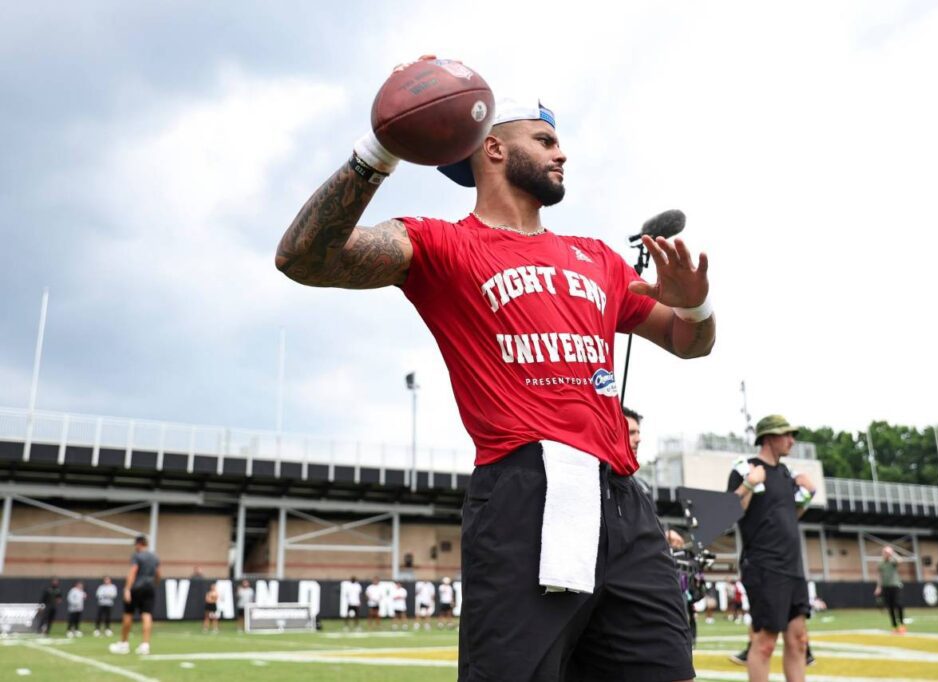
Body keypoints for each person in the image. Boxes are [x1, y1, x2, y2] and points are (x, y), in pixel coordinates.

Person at [276, 55, 714, 682]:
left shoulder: (596, 258)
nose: (562, 155)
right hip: (526, 491)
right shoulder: (441, 244)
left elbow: (689, 342)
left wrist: (694, 299)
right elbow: (303, 257)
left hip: (622, 500)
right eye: (545, 140)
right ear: (494, 149)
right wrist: (379, 148)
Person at [726, 415, 816, 682]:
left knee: (799, 640)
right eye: (786, 435)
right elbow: (730, 511)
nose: (792, 440)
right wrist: (749, 484)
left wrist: (807, 497)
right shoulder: (745, 469)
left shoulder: (786, 474)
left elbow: (789, 517)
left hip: (792, 566)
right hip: (764, 566)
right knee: (765, 642)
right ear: (769, 437)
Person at [109, 534, 160, 655]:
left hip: (136, 588)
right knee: (147, 615)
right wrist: (155, 584)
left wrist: (127, 588)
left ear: (138, 544)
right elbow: (158, 574)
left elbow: (133, 571)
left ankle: (124, 644)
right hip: (150, 588)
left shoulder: (137, 556)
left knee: (128, 614)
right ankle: (145, 645)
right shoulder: (154, 557)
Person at [873, 546, 906, 633]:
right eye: (885, 552)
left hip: (895, 585)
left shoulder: (893, 561)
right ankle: (894, 626)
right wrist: (878, 587)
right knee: (890, 607)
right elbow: (880, 576)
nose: (886, 554)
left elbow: (900, 560)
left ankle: (902, 625)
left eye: (888, 552)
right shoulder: (880, 563)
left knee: (899, 605)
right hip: (885, 586)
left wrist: (893, 553)